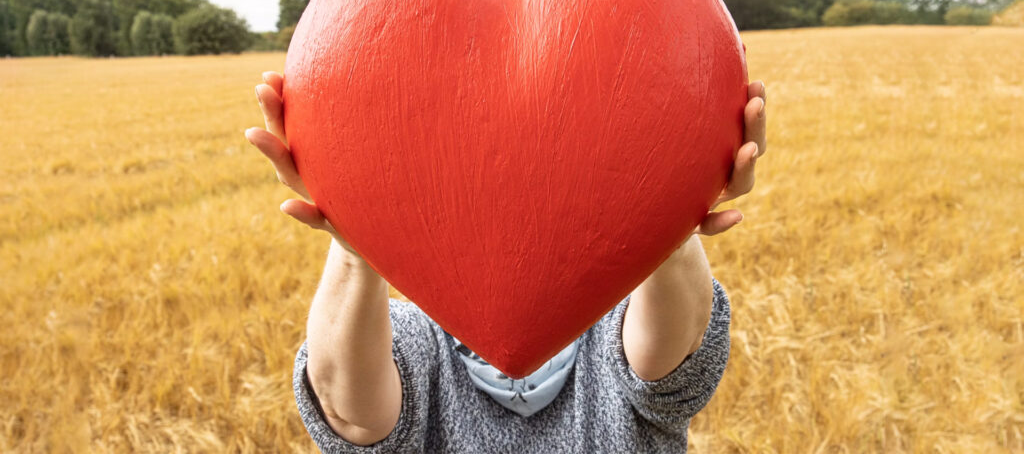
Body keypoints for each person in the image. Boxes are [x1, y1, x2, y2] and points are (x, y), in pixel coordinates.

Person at [246, 73, 767, 453]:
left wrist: (671, 201)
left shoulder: (617, 318)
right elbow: (352, 421)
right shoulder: (408, 335)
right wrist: (356, 236)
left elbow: (672, 362)